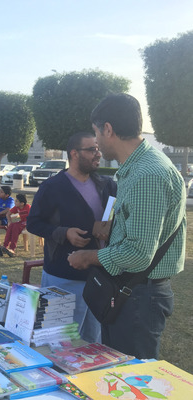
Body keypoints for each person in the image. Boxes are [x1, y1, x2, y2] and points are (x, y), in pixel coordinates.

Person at [67, 94, 186, 358]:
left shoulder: (147, 174)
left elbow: (138, 253)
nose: (97, 143)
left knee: (130, 376)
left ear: (108, 129)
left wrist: (89, 257)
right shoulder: (137, 167)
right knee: (115, 368)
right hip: (133, 290)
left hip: (139, 296)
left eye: (96, 132)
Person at [26, 132, 116, 343]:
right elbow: (33, 223)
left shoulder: (107, 185)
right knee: (59, 343)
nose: (98, 154)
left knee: (93, 343)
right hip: (63, 277)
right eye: (92, 149)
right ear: (74, 153)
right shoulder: (52, 187)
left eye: (98, 149)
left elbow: (118, 215)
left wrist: (112, 227)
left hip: (99, 277)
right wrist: (64, 232)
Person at [0, 193, 31, 257]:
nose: (15, 202)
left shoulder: (28, 207)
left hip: (29, 223)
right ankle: (5, 246)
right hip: (22, 222)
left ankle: (12, 249)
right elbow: (8, 214)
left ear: (22, 203)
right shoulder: (16, 207)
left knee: (15, 227)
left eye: (16, 201)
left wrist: (28, 225)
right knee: (11, 226)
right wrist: (9, 221)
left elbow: (32, 216)